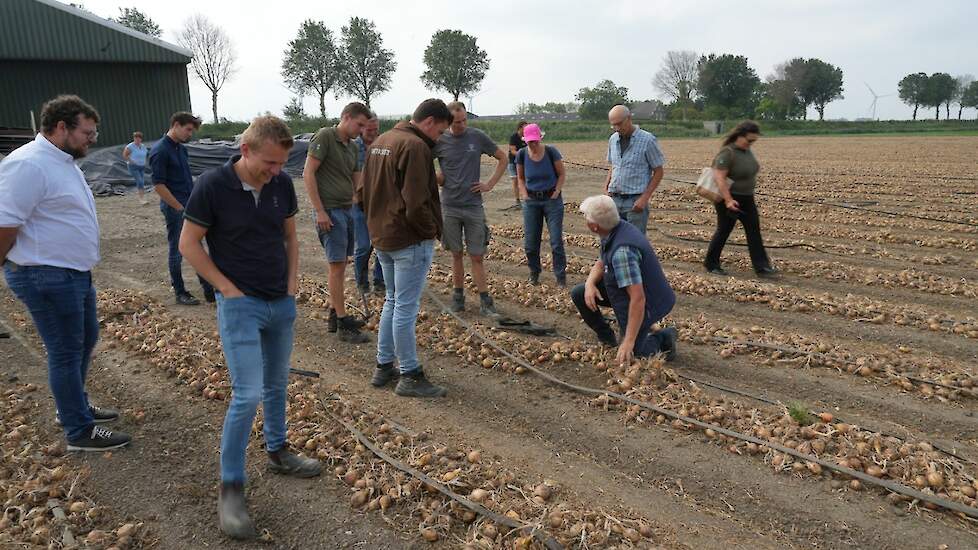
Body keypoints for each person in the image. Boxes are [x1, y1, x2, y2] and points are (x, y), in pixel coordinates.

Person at [179, 116, 321, 539]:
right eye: (270, 162)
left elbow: (290, 237)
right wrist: (224, 288)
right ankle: (231, 488)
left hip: (280, 302)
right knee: (248, 394)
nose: (277, 171)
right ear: (245, 150)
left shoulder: (281, 185)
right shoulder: (212, 186)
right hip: (241, 305)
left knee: (277, 383)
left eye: (282, 163)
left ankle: (277, 450)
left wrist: (293, 284)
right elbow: (188, 243)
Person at [0, 95, 131, 451]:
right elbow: (5, 224)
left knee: (84, 341)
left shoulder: (63, 161)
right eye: (87, 132)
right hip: (46, 276)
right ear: (61, 127)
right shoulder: (28, 165)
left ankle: (72, 405)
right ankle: (78, 431)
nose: (93, 138)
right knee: (65, 350)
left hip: (72, 273)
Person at [357, 99, 453, 398]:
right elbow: (416, 201)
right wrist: (430, 231)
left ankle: (384, 365)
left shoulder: (380, 141)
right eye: (440, 131)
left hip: (383, 235)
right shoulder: (415, 147)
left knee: (392, 301)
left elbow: (361, 193)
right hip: (408, 239)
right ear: (429, 122)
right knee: (405, 308)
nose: (439, 138)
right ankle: (410, 374)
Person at [570, 195, 677, 365]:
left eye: (586, 217)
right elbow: (602, 260)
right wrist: (590, 284)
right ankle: (607, 338)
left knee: (633, 355)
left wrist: (629, 341)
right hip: (626, 291)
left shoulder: (623, 253)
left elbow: (638, 298)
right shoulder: (615, 229)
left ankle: (664, 338)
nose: (584, 219)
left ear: (593, 226)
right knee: (580, 293)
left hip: (650, 302)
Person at [303, 102, 372, 343]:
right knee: (336, 265)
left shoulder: (352, 147)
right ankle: (343, 323)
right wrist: (320, 210)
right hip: (329, 211)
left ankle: (335, 313)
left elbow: (357, 180)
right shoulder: (325, 136)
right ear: (346, 117)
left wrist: (360, 200)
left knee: (342, 263)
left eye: (364, 126)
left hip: (347, 211)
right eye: (359, 124)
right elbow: (308, 172)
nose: (361, 130)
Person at [434, 101, 508, 315]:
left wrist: (490, 184)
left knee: (477, 255)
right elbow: (420, 161)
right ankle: (458, 298)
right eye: (457, 122)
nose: (461, 125)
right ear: (448, 122)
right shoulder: (440, 140)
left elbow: (502, 158)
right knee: (456, 254)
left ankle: (485, 301)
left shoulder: (477, 137)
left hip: (474, 206)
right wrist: (437, 178)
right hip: (449, 206)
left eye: (464, 120)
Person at [150, 112, 215, 306]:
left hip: (190, 204)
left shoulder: (181, 149)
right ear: (176, 125)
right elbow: (159, 185)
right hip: (176, 209)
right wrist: (179, 208)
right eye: (188, 130)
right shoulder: (160, 151)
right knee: (177, 250)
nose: (189, 134)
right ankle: (180, 292)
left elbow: (187, 179)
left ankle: (209, 290)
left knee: (198, 247)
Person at [704, 121, 777, 277]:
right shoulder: (727, 152)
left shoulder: (746, 151)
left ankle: (762, 267)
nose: (751, 144)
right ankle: (711, 263)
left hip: (747, 198)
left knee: (754, 230)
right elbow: (719, 177)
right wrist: (728, 200)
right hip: (729, 200)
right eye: (749, 140)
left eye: (754, 141)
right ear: (739, 136)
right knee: (724, 230)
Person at [515, 123, 567, 286]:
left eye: (536, 141)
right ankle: (534, 272)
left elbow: (561, 174)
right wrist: (524, 194)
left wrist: (557, 191)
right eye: (530, 142)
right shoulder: (522, 154)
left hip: (551, 200)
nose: (534, 145)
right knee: (531, 243)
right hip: (532, 201)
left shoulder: (551, 152)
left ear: (540, 139)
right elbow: (521, 178)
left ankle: (560, 276)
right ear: (525, 141)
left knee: (556, 241)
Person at [604, 105, 666, 234]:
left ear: (629, 118)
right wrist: (606, 189)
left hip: (635, 202)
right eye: (613, 125)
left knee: (634, 244)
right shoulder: (613, 139)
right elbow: (613, 166)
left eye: (619, 124)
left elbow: (658, 171)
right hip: (614, 199)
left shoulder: (647, 140)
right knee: (612, 241)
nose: (617, 128)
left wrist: (644, 198)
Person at [352, 113, 385, 295]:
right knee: (364, 246)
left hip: (380, 203)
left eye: (375, 130)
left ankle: (379, 280)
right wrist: (355, 196)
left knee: (382, 244)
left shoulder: (383, 144)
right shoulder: (353, 147)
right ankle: (361, 281)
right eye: (369, 130)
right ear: (361, 128)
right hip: (359, 204)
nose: (373, 133)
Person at [504, 121, 528, 210]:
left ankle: (526, 198)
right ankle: (517, 200)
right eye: (525, 127)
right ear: (520, 128)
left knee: (524, 180)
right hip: (513, 162)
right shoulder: (514, 137)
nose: (526, 129)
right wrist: (523, 154)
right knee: (515, 181)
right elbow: (513, 151)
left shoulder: (526, 137)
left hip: (523, 162)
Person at [123, 131, 149, 204]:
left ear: (141, 139)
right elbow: (125, 155)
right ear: (134, 138)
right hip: (133, 166)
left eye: (139, 138)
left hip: (142, 166)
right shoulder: (130, 146)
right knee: (140, 181)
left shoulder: (143, 146)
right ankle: (141, 199)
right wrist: (131, 161)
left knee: (142, 182)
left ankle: (142, 197)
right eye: (136, 138)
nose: (137, 139)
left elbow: (146, 154)